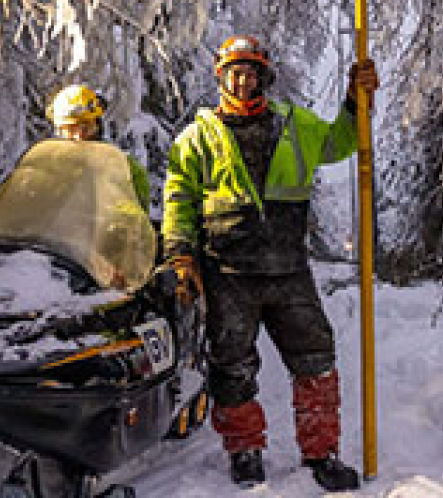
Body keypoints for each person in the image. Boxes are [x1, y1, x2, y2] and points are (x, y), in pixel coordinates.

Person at [161, 35, 378, 492]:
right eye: (235, 72)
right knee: (232, 364)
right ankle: (245, 452)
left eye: (251, 72)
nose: (243, 80)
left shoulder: (294, 124)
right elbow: (178, 198)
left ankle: (322, 454)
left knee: (316, 356)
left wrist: (356, 102)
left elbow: (340, 142)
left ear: (264, 77)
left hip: (288, 269)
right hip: (228, 271)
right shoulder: (197, 137)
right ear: (222, 77)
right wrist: (180, 254)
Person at [47, 83, 151, 210]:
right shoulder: (43, 169)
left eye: (86, 126)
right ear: (60, 131)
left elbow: (136, 214)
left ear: (98, 125)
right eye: (71, 128)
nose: (79, 135)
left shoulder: (125, 168)